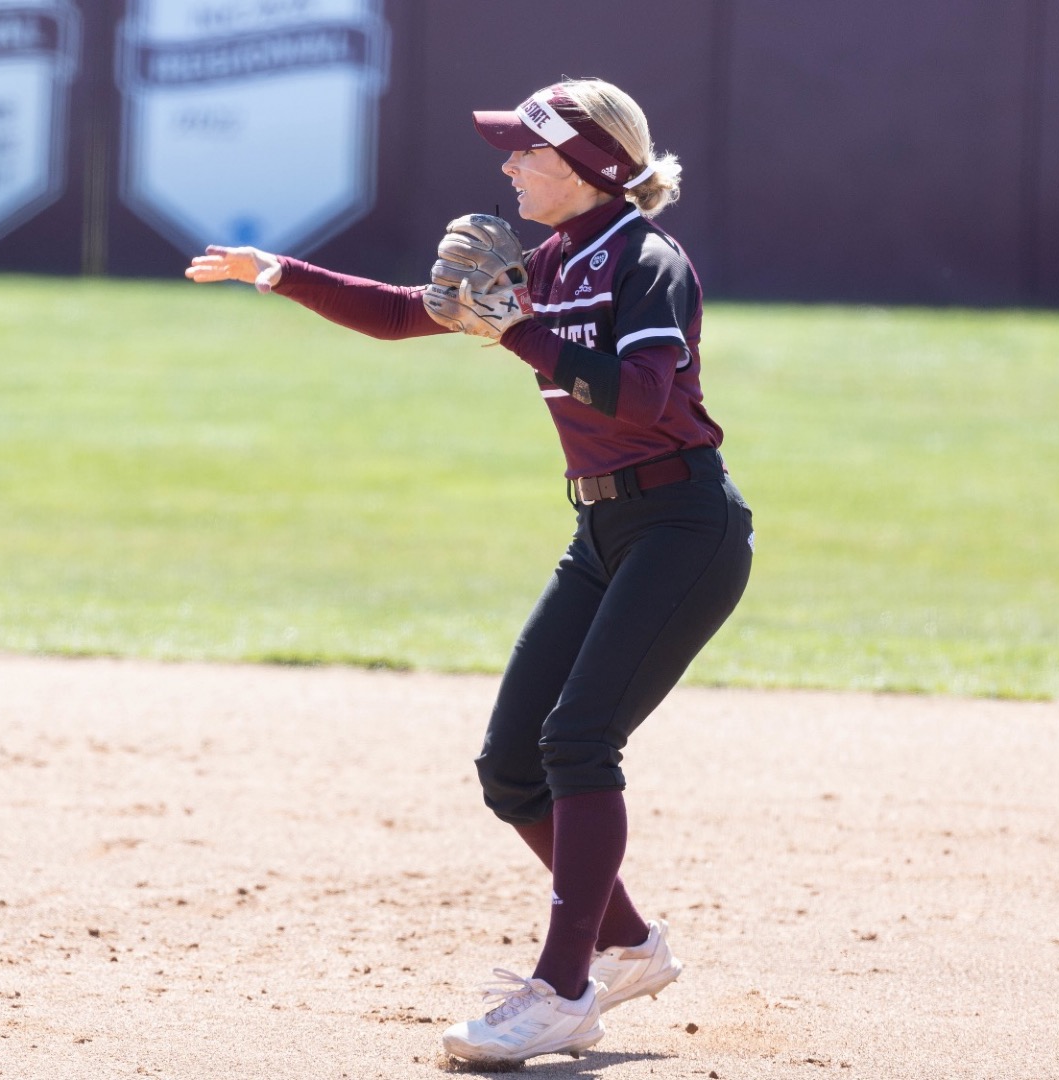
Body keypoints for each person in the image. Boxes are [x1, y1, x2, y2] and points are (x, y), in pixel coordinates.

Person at [185, 78, 753, 1065]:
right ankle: (625, 943)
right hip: (605, 532)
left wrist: (513, 330)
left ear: (587, 168)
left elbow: (643, 395)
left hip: (685, 526)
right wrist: (272, 271)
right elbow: (410, 314)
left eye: (525, 152)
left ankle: (564, 988)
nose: (506, 166)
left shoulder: (644, 262)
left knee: (578, 739)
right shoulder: (554, 259)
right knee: (511, 767)